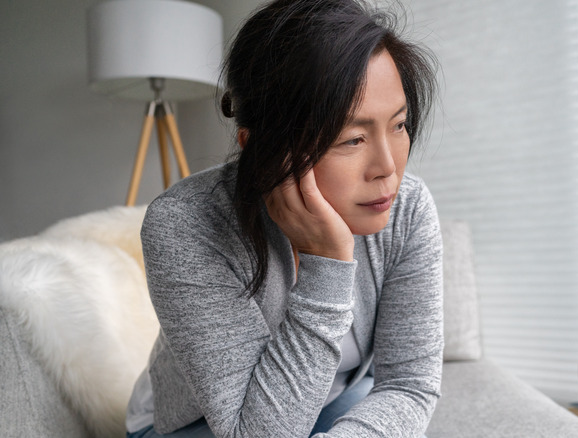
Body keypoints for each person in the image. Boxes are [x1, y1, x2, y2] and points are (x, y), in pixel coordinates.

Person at [124, 0, 443, 437]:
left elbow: (410, 385)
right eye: (351, 139)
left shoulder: (408, 208)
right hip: (202, 424)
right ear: (262, 149)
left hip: (331, 402)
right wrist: (327, 263)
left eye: (399, 125)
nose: (387, 167)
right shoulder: (183, 225)